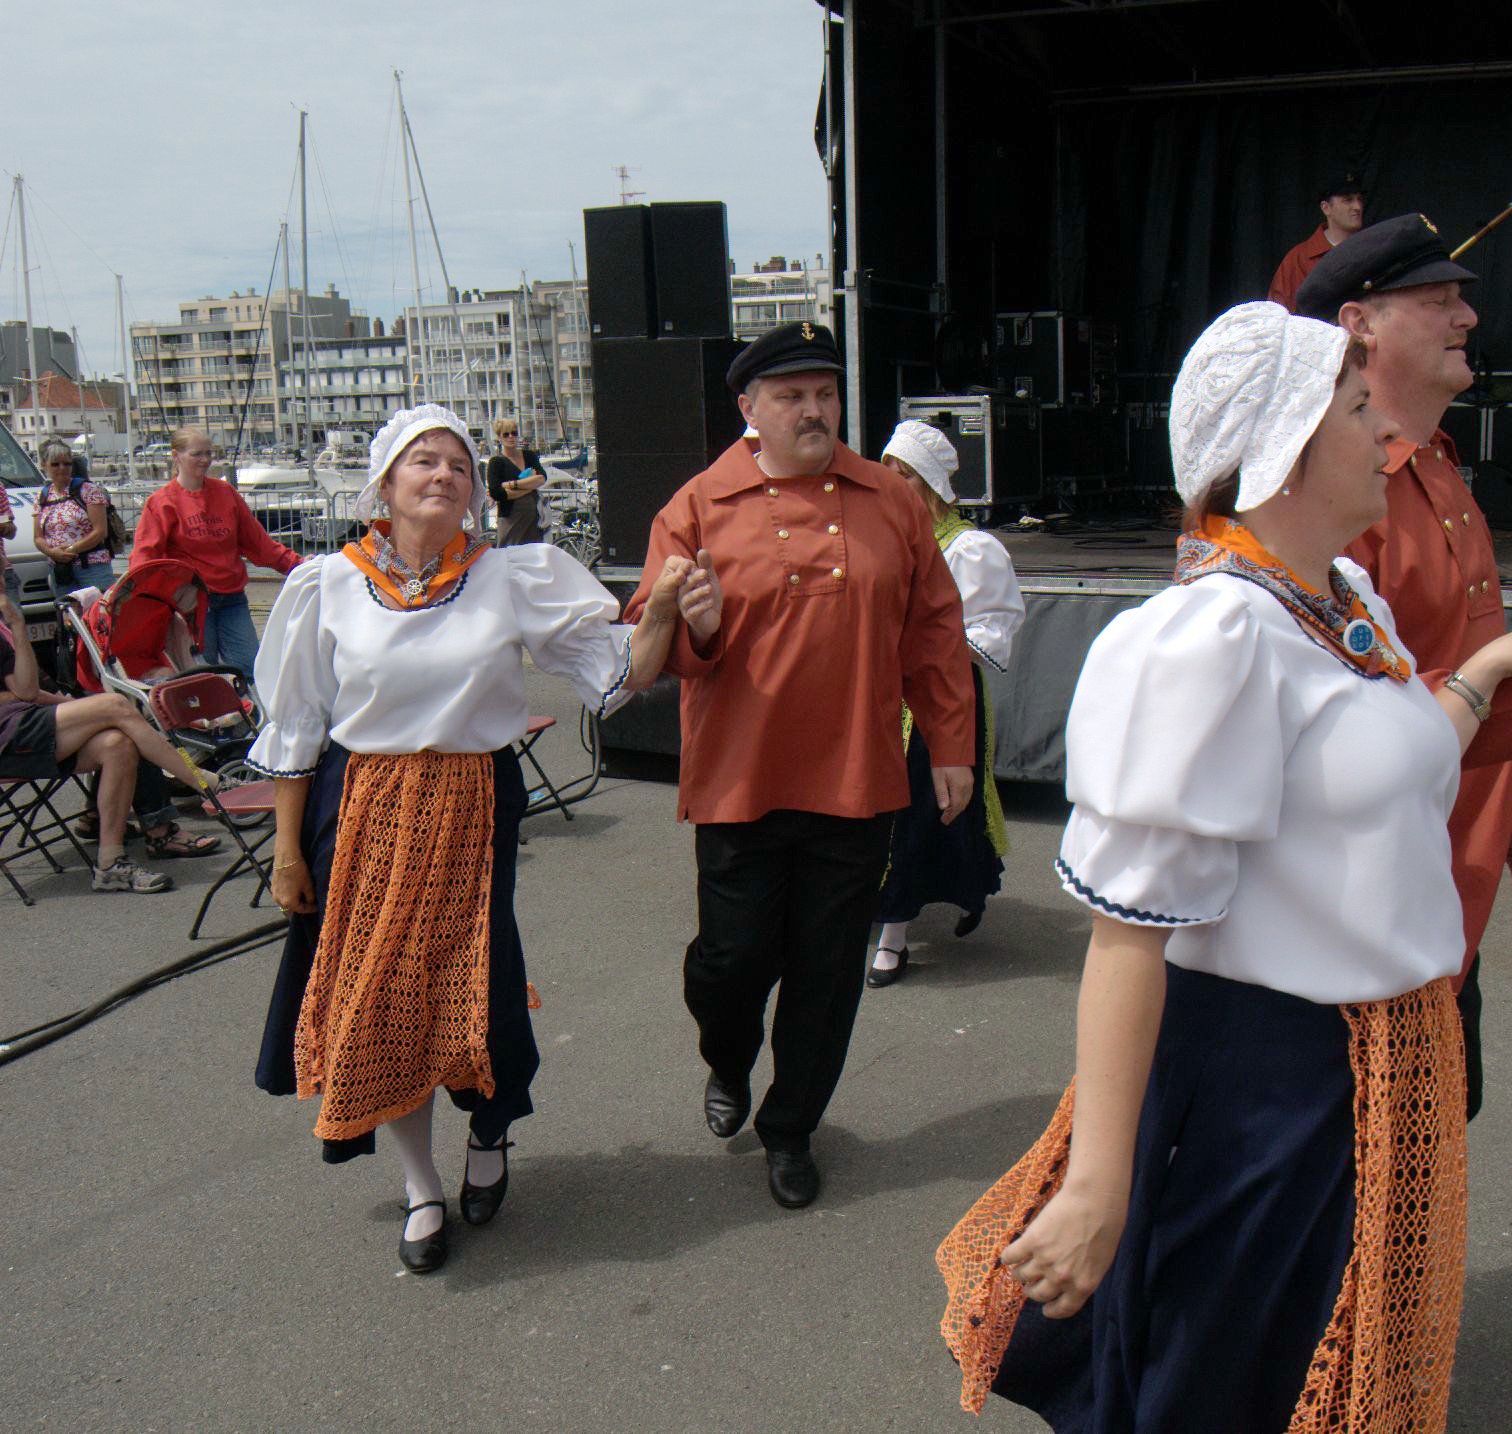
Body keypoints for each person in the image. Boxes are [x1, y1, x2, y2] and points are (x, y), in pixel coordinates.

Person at [934, 302, 1512, 1430]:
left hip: (1384, 1070)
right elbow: (1125, 938)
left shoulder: (1345, 606)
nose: (1387, 434)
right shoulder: (1207, 642)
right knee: (1235, 1387)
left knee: (1337, 1372)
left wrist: (1487, 677)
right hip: (1271, 1091)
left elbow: (1385, 765)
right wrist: (1101, 1178)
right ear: (1284, 453)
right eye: (1355, 411)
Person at [250, 403, 702, 1274]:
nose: (444, 474)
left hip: (471, 804)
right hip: (363, 804)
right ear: (384, 483)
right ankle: (421, 1187)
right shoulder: (326, 584)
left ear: (473, 490)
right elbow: (297, 726)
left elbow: (618, 675)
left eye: (458, 462)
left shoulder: (508, 577)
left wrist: (663, 614)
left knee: (477, 992)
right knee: (380, 999)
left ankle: (490, 1129)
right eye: (423, 460)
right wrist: (284, 850)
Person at [623, 322, 975, 1211]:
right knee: (729, 963)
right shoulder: (698, 506)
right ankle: (727, 1057)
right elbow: (648, 646)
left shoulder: (888, 500)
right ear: (750, 409)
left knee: (824, 978)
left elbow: (934, 628)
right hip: (739, 782)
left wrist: (953, 744)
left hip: (857, 780)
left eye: (824, 392)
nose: (814, 409)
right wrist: (694, 627)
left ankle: (791, 1127)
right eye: (791, 396)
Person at [1296, 212, 1512, 1121]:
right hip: (1375, 911)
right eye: (1436, 301)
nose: (1466, 316)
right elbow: (1333, 723)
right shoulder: (1349, 493)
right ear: (1360, 325)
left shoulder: (1436, 468)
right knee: (1373, 1167)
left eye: (1461, 297)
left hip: (1447, 888)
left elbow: (1448, 663)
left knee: (1433, 1134)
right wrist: (1506, 711)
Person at [867, 420, 1026, 987]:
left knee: (916, 808)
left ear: (929, 484)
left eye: (902, 474)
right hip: (883, 696)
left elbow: (991, 632)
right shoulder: (882, 542)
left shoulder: (970, 549)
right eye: (885, 471)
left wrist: (925, 640)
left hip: (941, 696)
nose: (889, 483)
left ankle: (893, 936)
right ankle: (911, 902)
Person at [1, 591, 224, 892]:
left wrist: (70, 705)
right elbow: (25, 691)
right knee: (116, 706)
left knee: (117, 743)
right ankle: (206, 783)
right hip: (10, 735)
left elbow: (24, 691)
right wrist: (16, 624)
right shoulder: (7, 624)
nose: (5, 565)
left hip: (25, 722)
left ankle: (110, 864)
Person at [129, 426, 302, 671]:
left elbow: (260, 546)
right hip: (192, 604)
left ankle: (252, 709)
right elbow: (145, 558)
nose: (205, 460)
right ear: (176, 456)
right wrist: (138, 600)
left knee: (250, 667)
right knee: (203, 672)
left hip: (232, 599)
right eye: (197, 454)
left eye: (209, 453)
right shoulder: (161, 502)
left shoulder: (225, 493)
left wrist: (300, 565)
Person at [1265, 171, 1365, 308]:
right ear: (1326, 208)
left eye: (1359, 199)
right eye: (1348, 200)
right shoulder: (1299, 259)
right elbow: (1277, 314)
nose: (1357, 207)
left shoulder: (1372, 251)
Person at [32, 440, 117, 592]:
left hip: (92, 565)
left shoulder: (88, 490)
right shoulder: (42, 497)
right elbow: (38, 537)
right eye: (55, 464)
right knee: (68, 614)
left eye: (67, 463)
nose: (62, 468)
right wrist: (51, 552)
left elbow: (100, 531)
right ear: (44, 465)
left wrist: (71, 549)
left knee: (99, 613)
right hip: (62, 569)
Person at [486, 418, 549, 547]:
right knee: (508, 554)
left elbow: (542, 478)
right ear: (499, 437)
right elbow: (497, 493)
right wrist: (530, 485)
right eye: (506, 434)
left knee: (533, 556)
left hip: (533, 518)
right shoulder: (496, 462)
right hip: (510, 518)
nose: (511, 437)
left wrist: (512, 485)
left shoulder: (529, 456)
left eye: (514, 433)